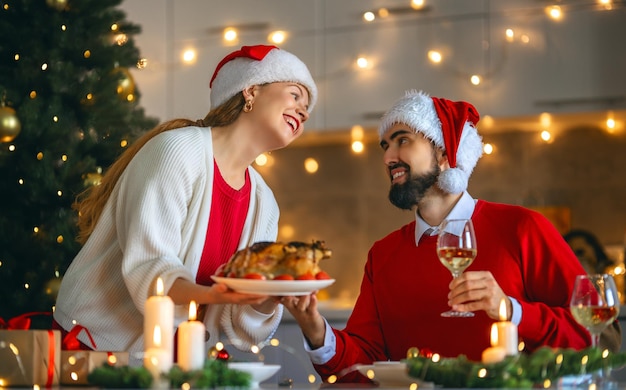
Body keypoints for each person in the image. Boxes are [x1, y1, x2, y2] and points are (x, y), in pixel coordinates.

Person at [281, 90, 620, 383]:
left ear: (445, 153)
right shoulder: (382, 255)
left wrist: (511, 310)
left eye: (403, 140)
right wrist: (315, 329)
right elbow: (360, 367)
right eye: (385, 146)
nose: (387, 157)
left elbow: (602, 338)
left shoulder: (523, 228)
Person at [53, 44, 317, 365]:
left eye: (307, 108)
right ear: (251, 90)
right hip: (98, 347)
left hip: (176, 361)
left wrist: (271, 297)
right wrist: (211, 295)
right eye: (295, 95)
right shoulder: (178, 151)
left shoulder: (264, 202)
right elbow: (148, 266)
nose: (303, 111)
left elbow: (238, 324)